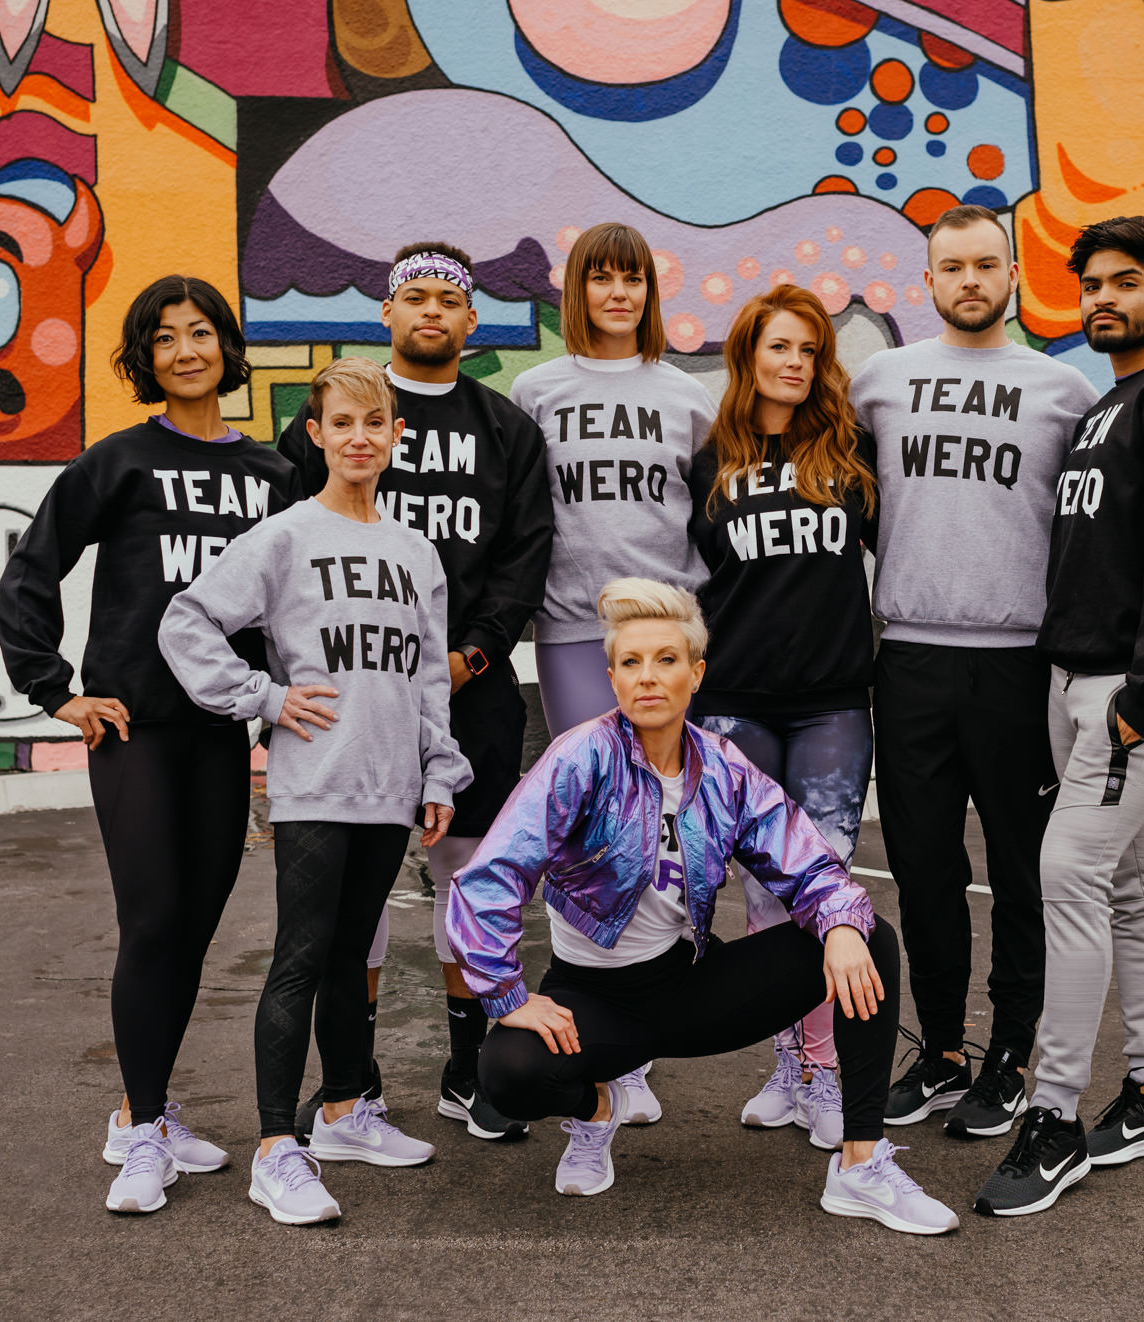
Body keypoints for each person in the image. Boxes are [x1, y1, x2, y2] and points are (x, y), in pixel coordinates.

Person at [450, 579, 958, 1236]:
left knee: (868, 939)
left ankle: (860, 1163)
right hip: (594, 1001)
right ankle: (597, 1106)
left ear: (697, 673)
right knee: (506, 1071)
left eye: (666, 660)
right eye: (630, 663)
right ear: (611, 677)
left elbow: (809, 862)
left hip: (688, 986)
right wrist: (508, 995)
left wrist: (837, 924)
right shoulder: (580, 758)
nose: (648, 677)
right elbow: (488, 880)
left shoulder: (723, 769)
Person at [0, 274, 300, 1214]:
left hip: (218, 730)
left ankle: (148, 1108)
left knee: (196, 929)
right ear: (144, 359)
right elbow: (33, 568)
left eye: (200, 332)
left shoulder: (273, 477)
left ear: (225, 347)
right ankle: (139, 1132)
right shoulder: (116, 462)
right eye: (163, 338)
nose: (185, 350)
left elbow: (303, 601)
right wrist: (56, 692)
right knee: (154, 920)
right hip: (134, 729)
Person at [161, 356, 473, 1226]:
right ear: (317, 433)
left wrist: (440, 767)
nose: (360, 438)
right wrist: (261, 698)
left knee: (348, 958)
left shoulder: (416, 551)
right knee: (300, 957)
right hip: (313, 786)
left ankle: (343, 1110)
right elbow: (186, 619)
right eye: (343, 423)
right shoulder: (287, 536)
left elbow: (425, 680)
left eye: (375, 423)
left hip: (388, 787)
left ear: (396, 436)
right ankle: (274, 1148)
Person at [975, 217, 1144, 1217]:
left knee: (1069, 873)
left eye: (1125, 282)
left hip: (1138, 685)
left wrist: (1142, 692)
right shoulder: (1107, 405)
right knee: (1137, 887)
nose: (1102, 299)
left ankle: (1052, 1118)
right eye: (1090, 284)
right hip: (1079, 676)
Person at [277, 242, 553, 1143]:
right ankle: (351, 1084)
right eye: (416, 297)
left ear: (471, 323)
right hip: (348, 697)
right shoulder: (334, 416)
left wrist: (475, 653)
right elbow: (286, 542)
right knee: (348, 901)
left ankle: (469, 1070)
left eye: (449, 299)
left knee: (467, 883)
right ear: (387, 314)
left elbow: (523, 558)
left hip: (467, 694)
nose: (432, 312)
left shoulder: (507, 429)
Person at [849, 205, 1099, 1136]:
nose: (968, 280)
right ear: (927, 282)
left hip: (1017, 667)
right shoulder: (880, 380)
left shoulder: (1063, 390)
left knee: (1024, 873)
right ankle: (946, 1051)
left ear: (1013, 276)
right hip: (908, 658)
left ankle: (1012, 1055)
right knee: (923, 870)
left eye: (985, 264)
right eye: (950, 267)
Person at [510, 220, 717, 1122]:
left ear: (649, 292)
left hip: (664, 635)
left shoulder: (686, 395)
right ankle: (611, 1052)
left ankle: (642, 1025)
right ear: (579, 291)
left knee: (664, 823)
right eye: (602, 279)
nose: (618, 295)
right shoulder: (535, 389)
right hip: (571, 628)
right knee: (591, 830)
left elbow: (710, 515)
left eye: (633, 279)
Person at [686, 285, 878, 1151]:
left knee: (824, 888)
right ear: (748, 357)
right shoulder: (712, 460)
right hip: (736, 705)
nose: (795, 363)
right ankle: (791, 1065)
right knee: (764, 892)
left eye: (808, 349)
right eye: (779, 348)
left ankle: (827, 1069)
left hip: (833, 703)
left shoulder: (850, 453)